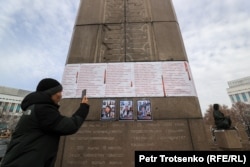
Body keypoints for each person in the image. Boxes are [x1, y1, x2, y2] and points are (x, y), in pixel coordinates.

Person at [0, 78, 90, 167]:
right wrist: (83, 107)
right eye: (60, 92)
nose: (61, 95)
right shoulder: (43, 109)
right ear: (52, 93)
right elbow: (69, 126)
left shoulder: (34, 107)